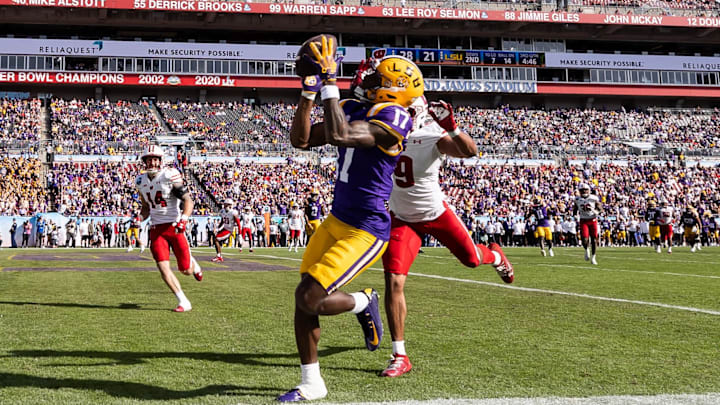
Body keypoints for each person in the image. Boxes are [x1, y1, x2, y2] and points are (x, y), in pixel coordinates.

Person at [277, 40, 423, 402]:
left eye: (374, 76)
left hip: (365, 229)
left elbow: (342, 135)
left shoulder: (395, 117)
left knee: (309, 296)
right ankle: (312, 382)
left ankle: (362, 301)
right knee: (304, 301)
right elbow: (302, 139)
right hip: (335, 219)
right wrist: (309, 92)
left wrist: (328, 79)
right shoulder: (353, 106)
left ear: (394, 87)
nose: (364, 77)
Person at [379, 96, 514, 378]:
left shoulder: (430, 134)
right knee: (393, 280)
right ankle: (400, 354)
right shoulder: (381, 127)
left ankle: (495, 255)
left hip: (435, 213)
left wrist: (452, 127)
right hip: (402, 218)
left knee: (472, 260)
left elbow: (469, 151)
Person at [136, 145, 203, 312]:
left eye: (154, 159)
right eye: (148, 159)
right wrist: (138, 219)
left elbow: (188, 200)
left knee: (186, 270)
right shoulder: (140, 180)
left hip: (174, 226)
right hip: (156, 229)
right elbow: (145, 208)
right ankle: (183, 301)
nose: (151, 162)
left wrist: (184, 220)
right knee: (163, 267)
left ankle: (194, 264)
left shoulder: (169, 175)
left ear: (160, 160)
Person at [573, 183, 601, 265]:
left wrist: (595, 211)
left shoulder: (593, 198)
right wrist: (575, 215)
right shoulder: (577, 199)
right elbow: (575, 209)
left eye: (585, 190)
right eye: (582, 190)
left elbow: (600, 208)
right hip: (583, 220)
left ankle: (593, 257)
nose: (584, 191)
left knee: (594, 239)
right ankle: (586, 249)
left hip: (592, 220)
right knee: (584, 239)